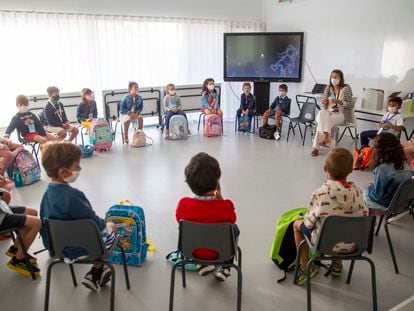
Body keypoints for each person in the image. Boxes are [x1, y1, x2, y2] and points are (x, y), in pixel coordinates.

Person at [40, 142, 115, 291]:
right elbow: (94, 223)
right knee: (111, 228)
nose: (79, 169)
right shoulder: (74, 196)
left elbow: (44, 223)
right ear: (63, 172)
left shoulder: (46, 196)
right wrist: (108, 225)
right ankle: (97, 268)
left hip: (58, 248)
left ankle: (96, 274)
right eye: (76, 166)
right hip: (85, 248)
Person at [293, 148, 368, 285]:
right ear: (351, 170)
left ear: (325, 168)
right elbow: (365, 214)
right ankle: (337, 266)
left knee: (297, 225)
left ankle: (305, 268)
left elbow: (309, 223)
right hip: (356, 244)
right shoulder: (358, 192)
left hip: (326, 244)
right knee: (343, 223)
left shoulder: (321, 193)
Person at [176, 152, 237, 282]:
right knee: (234, 229)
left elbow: (179, 220)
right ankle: (225, 267)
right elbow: (232, 220)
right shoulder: (226, 206)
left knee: (192, 228)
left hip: (192, 251)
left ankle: (201, 263)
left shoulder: (183, 204)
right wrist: (221, 200)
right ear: (217, 180)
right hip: (222, 251)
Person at [364, 133, 412, 212]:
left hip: (386, 204)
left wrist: (369, 188)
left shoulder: (382, 169)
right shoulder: (406, 165)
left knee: (365, 191)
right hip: (402, 204)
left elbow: (377, 196)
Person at [0, 188, 41, 277]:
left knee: (32, 212)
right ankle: (18, 260)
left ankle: (15, 249)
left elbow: (5, 194)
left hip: (2, 210)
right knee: (36, 223)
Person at [311, 70, 352, 156]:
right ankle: (328, 141)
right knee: (323, 113)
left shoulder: (346, 88)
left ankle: (315, 148)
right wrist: (324, 102)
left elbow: (349, 104)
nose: (333, 79)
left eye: (336, 77)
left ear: (341, 78)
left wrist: (339, 101)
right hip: (328, 112)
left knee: (322, 120)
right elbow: (324, 104)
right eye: (332, 77)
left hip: (341, 113)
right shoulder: (328, 87)